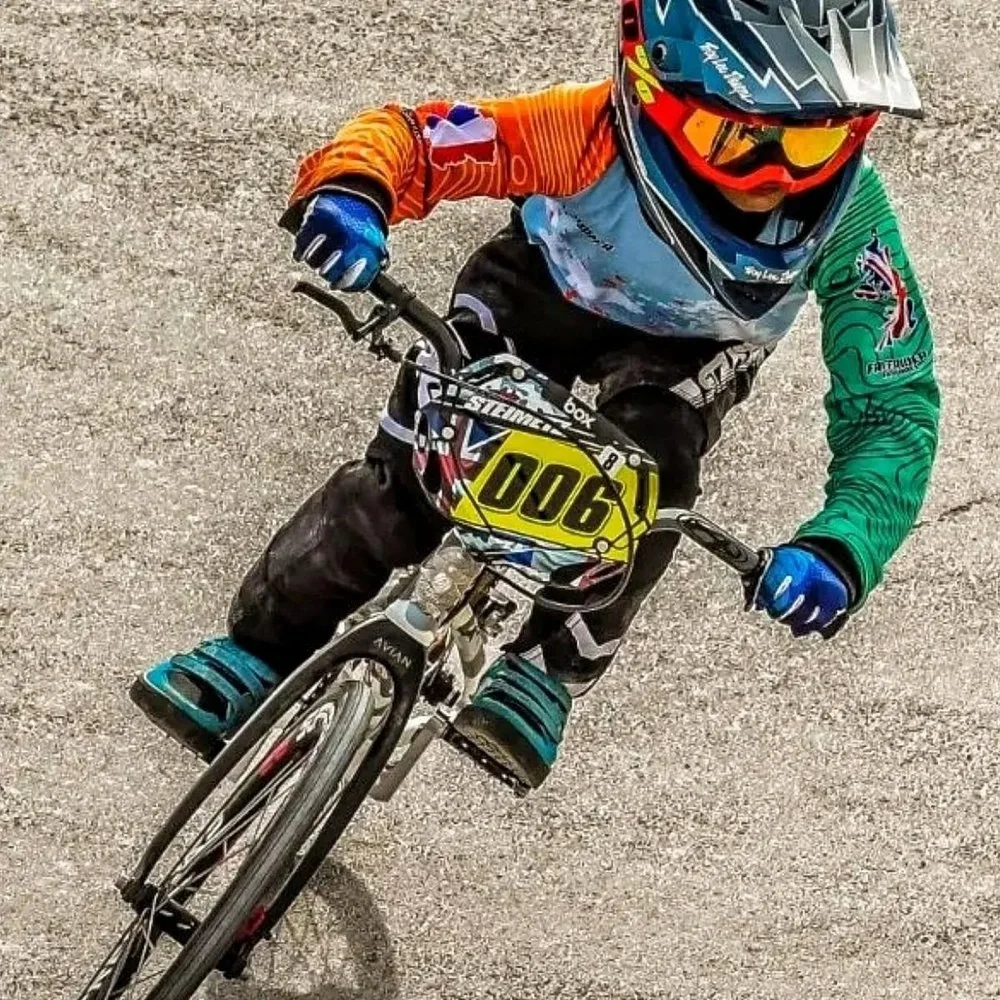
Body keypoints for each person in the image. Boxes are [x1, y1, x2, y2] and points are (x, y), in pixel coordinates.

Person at [131, 0, 939, 789]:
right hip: (541, 286)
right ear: (651, 89)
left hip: (689, 354)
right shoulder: (586, 129)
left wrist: (842, 546)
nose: (777, 177)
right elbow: (415, 140)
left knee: (651, 476)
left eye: (817, 138)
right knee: (410, 480)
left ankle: (549, 668)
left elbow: (892, 403)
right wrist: (355, 188)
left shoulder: (853, 222)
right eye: (735, 135)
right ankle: (262, 648)